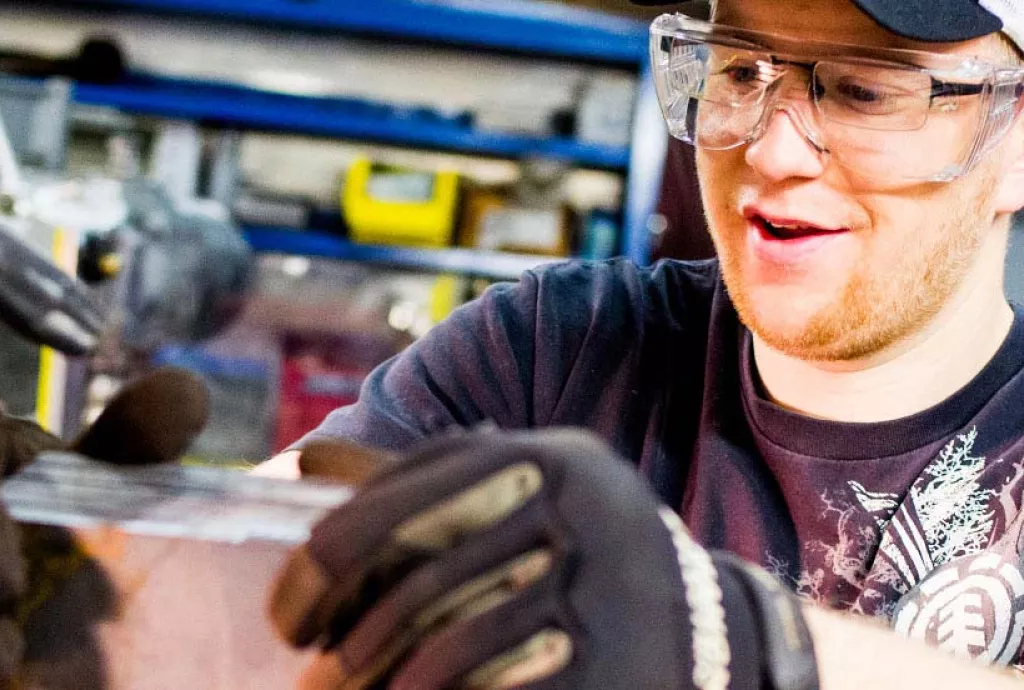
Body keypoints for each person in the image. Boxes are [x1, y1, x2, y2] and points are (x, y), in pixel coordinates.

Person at [259, 0, 1024, 687]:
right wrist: (159, 544)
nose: (771, 154)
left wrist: (745, 644)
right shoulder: (551, 351)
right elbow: (274, 560)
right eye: (742, 70)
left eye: (866, 91)